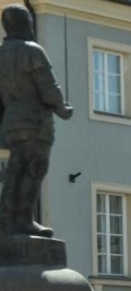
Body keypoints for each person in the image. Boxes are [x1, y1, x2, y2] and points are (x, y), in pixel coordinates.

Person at [0, 3, 73, 238]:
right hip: (35, 121)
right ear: (26, 23)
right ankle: (25, 220)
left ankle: (6, 220)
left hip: (11, 121)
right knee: (35, 168)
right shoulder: (32, 50)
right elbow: (48, 87)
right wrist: (63, 109)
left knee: (14, 169)